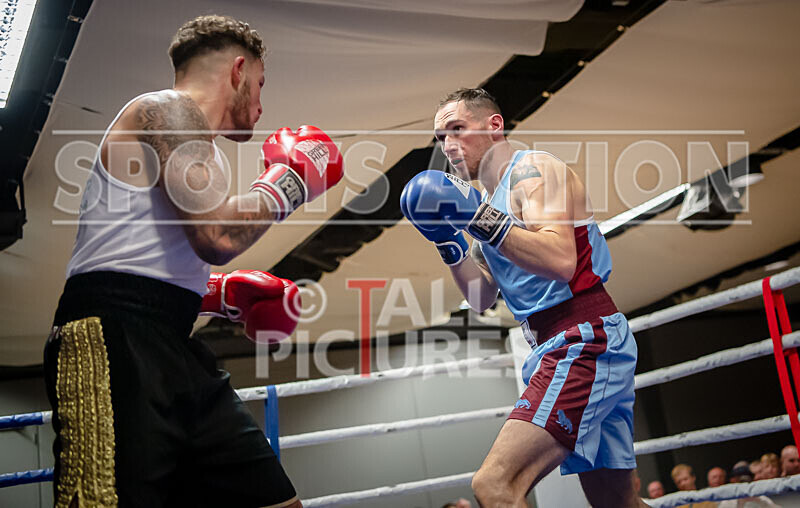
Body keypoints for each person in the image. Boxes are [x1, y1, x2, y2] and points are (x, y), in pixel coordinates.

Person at [43, 14, 343, 507]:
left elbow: (135, 252)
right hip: (112, 342)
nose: (262, 105)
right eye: (260, 85)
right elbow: (216, 235)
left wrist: (215, 294)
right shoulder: (166, 110)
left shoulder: (205, 153)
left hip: (173, 343)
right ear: (238, 71)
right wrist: (291, 180)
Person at [401, 87, 643, 507]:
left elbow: (561, 260)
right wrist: (448, 243)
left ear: (494, 125)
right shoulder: (485, 203)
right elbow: (482, 296)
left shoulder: (533, 170)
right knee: (616, 504)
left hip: (583, 339)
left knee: (494, 484)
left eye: (457, 129)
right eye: (441, 138)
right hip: (555, 345)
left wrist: (479, 218)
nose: (449, 146)